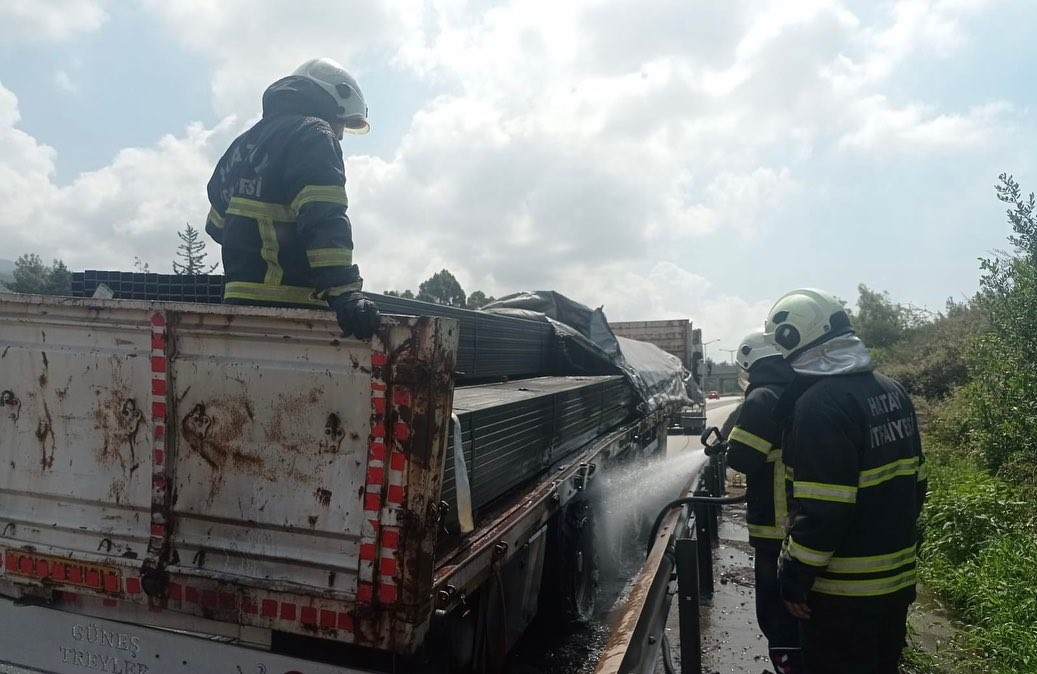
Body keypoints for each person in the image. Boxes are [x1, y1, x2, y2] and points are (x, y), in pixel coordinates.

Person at [765, 288, 926, 674]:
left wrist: (795, 575)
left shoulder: (819, 406)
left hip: (842, 593)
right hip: (894, 582)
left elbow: (824, 510)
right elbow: (917, 482)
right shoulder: (891, 390)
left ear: (791, 337)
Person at [204, 57, 379, 339]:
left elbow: (215, 226)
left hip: (237, 310)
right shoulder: (313, 134)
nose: (341, 135)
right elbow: (323, 217)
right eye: (342, 124)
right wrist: (344, 292)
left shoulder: (242, 144)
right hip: (293, 310)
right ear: (332, 103)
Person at [726, 329, 801, 674]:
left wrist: (727, 448)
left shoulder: (762, 397)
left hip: (774, 524)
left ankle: (788, 664)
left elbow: (741, 457)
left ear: (751, 365)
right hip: (807, 521)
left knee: (775, 612)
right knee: (802, 607)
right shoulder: (804, 390)